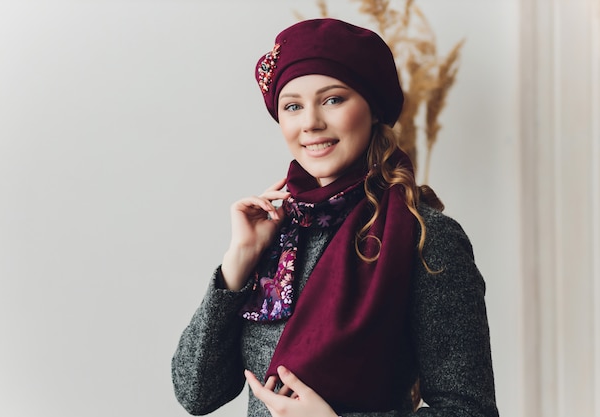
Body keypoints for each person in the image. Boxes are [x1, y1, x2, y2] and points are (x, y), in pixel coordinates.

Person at [171, 18, 499, 417]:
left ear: (372, 107)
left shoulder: (425, 238)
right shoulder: (276, 230)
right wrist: (239, 260)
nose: (310, 122)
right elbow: (196, 393)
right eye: (292, 106)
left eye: (332, 100)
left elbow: (470, 410)